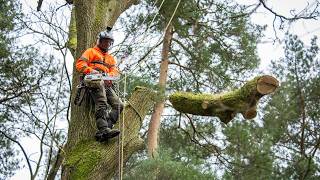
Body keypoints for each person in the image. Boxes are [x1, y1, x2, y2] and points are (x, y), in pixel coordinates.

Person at [75, 28, 124, 142]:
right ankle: (103, 129)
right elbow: (80, 64)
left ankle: (108, 125)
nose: (107, 44)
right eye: (105, 41)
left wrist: (110, 77)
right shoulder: (91, 51)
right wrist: (91, 71)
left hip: (106, 83)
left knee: (119, 105)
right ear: (100, 41)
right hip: (93, 80)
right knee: (102, 102)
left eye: (109, 42)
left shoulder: (110, 58)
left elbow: (115, 71)